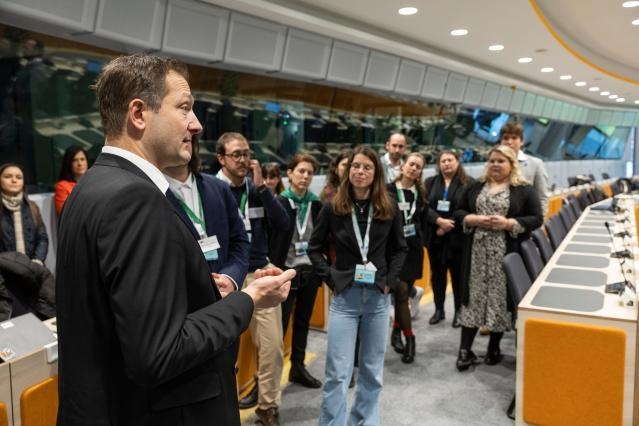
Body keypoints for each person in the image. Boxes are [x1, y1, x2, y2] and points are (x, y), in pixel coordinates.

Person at [55, 54, 294, 426]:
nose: (196, 125)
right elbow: (159, 352)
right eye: (184, 108)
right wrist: (249, 299)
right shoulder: (133, 199)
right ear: (138, 114)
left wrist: (212, 294)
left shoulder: (91, 188)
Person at [308, 145, 407, 426]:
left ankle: (364, 421)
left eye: (367, 167)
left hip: (377, 299)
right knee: (338, 373)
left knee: (372, 371)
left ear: (376, 173)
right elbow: (315, 249)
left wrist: (389, 282)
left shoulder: (387, 206)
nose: (360, 172)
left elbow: (400, 249)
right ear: (347, 170)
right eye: (355, 166)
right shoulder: (333, 207)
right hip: (345, 300)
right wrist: (331, 278)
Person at [215, 132, 289, 426]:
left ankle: (267, 407)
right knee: (223, 351)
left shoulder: (256, 189)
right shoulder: (210, 190)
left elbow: (283, 224)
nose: (244, 160)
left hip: (260, 271)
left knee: (272, 346)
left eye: (247, 153)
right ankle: (225, 410)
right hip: (226, 277)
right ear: (221, 158)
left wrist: (262, 189)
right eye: (237, 154)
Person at [453, 145, 542, 371]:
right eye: (492, 160)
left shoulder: (524, 189)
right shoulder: (475, 186)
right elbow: (458, 211)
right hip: (476, 254)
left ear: (511, 165)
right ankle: (464, 350)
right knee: (472, 298)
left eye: (501, 161)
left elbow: (536, 218)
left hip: (505, 253)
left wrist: (510, 223)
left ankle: (494, 347)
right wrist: (472, 219)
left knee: (499, 300)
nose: (495, 164)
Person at [163, 135, 250, 297]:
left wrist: (230, 278)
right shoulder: (151, 193)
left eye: (188, 140)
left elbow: (240, 242)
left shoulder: (219, 188)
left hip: (226, 299)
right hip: (183, 302)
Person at [269, 154, 323, 389]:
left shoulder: (316, 203)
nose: (305, 176)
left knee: (303, 321)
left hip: (309, 271)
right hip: (285, 273)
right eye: (301, 171)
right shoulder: (279, 201)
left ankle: (298, 367)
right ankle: (268, 380)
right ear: (289, 173)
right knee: (277, 327)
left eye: (310, 173)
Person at [424, 150, 473, 328]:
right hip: (435, 238)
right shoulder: (430, 182)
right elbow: (424, 206)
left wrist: (447, 225)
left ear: (458, 162)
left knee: (458, 276)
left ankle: (459, 312)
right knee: (437, 276)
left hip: (457, 238)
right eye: (443, 161)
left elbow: (469, 208)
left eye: (450, 160)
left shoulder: (468, 183)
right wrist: (438, 221)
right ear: (439, 164)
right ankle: (439, 310)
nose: (446, 163)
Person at [387, 152, 428, 364]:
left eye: (418, 167)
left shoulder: (420, 193)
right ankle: (410, 338)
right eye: (411, 164)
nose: (414, 169)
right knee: (402, 293)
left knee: (404, 295)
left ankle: (396, 331)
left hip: (413, 249)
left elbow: (421, 219)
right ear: (403, 166)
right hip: (395, 250)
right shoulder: (389, 190)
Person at [0, 162, 55, 320]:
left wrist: (37, 261)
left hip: (31, 272)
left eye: (18, 177)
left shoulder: (31, 207)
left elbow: (42, 237)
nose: (14, 180)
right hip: (6, 277)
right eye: (8, 176)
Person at [499, 122, 549, 215]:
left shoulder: (535, 164)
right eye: (506, 138)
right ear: (501, 141)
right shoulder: (494, 164)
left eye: (514, 138)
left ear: (521, 141)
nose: (509, 142)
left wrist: (538, 221)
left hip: (525, 221)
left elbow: (542, 197)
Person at [54, 145, 88, 215]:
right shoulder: (62, 187)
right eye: (75, 160)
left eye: (82, 159)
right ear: (69, 163)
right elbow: (65, 214)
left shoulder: (94, 182)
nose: (80, 163)